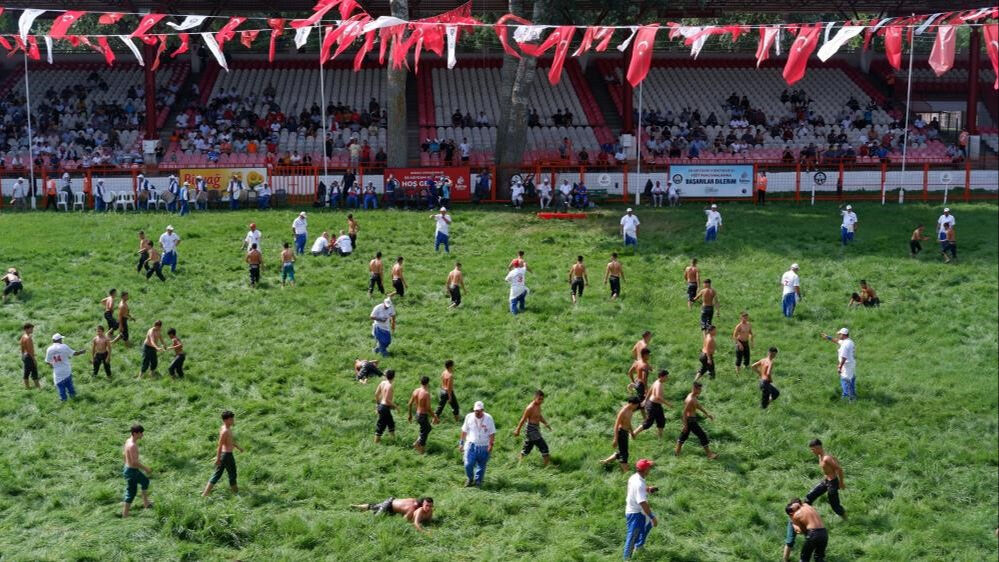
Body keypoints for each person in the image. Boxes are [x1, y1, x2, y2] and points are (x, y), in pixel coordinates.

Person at [202, 411, 244, 496]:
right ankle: (236, 493)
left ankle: (205, 494)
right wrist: (218, 458)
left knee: (217, 474)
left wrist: (238, 447)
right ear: (226, 420)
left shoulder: (226, 428)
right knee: (232, 473)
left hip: (224, 455)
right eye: (231, 419)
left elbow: (229, 441)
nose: (233, 421)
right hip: (227, 456)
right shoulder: (225, 431)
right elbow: (220, 445)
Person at [623, 459, 659, 559]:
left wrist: (648, 489)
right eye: (649, 467)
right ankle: (626, 559)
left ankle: (639, 547)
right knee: (632, 537)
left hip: (639, 511)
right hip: (635, 513)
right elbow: (642, 502)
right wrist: (652, 517)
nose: (650, 469)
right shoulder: (639, 484)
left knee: (648, 525)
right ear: (645, 469)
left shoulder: (634, 477)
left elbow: (637, 490)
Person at [804, 438, 847, 519]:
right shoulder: (820, 456)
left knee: (834, 505)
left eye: (813, 449)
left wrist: (841, 483)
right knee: (809, 497)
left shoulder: (826, 458)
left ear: (818, 447)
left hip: (833, 483)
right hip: (825, 481)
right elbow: (834, 461)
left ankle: (846, 519)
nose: (812, 451)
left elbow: (839, 469)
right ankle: (806, 517)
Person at [675, 382, 718, 459]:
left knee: (683, 436)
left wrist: (708, 414)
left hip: (690, 420)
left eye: (700, 388)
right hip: (691, 421)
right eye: (699, 389)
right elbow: (684, 413)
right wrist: (685, 425)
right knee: (702, 435)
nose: (700, 390)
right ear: (694, 389)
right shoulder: (690, 399)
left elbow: (698, 406)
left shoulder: (693, 396)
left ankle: (677, 453)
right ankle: (709, 454)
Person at [600, 396, 642, 472]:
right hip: (621, 432)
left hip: (625, 432)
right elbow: (616, 425)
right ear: (632, 404)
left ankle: (605, 461)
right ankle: (626, 472)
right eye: (636, 405)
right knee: (624, 454)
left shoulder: (631, 410)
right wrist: (615, 439)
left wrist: (632, 432)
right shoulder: (623, 411)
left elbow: (628, 422)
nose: (637, 406)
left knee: (622, 451)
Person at [459, 401, 496, 487]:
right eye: (476, 410)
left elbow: (492, 433)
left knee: (481, 465)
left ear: (483, 410)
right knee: (468, 464)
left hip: (484, 446)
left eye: (479, 411)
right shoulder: (469, 417)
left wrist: (491, 444)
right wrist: (461, 443)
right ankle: (470, 478)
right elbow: (464, 431)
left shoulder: (488, 418)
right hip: (471, 445)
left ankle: (478, 480)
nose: (477, 412)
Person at [349, 497, 434, 532]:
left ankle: (355, 506)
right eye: (426, 506)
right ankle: (360, 516)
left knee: (372, 506)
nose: (428, 508)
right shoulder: (412, 508)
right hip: (389, 504)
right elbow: (403, 521)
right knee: (375, 517)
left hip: (393, 502)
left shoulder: (415, 500)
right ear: (420, 505)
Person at [514, 390, 552, 466]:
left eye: (542, 399)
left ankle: (519, 463)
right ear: (534, 398)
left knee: (528, 448)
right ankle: (547, 466)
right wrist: (517, 430)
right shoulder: (530, 408)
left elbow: (539, 416)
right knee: (544, 447)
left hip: (536, 428)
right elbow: (523, 419)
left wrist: (546, 424)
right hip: (531, 430)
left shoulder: (538, 405)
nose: (541, 401)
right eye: (539, 399)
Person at [121, 425, 153, 518]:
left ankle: (146, 503)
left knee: (145, 481)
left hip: (128, 469)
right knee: (131, 492)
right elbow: (135, 462)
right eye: (141, 433)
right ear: (135, 433)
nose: (142, 435)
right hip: (132, 471)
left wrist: (126, 464)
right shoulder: (132, 446)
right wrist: (146, 468)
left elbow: (124, 454)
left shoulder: (128, 441)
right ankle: (125, 515)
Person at [633, 369, 672, 440]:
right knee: (648, 423)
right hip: (652, 406)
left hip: (656, 405)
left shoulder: (657, 382)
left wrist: (645, 400)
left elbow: (650, 389)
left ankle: (660, 438)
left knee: (661, 421)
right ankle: (633, 434)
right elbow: (658, 397)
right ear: (661, 377)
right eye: (666, 376)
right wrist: (668, 404)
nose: (667, 378)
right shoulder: (659, 384)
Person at [45, 333, 85, 401]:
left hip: (57, 372)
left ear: (53, 340)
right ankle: (73, 397)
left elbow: (47, 361)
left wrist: (54, 365)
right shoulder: (64, 346)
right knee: (70, 385)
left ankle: (64, 400)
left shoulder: (49, 349)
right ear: (59, 340)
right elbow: (74, 353)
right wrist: (81, 352)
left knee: (61, 388)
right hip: (66, 370)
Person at [820, 328, 856, 401]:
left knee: (845, 380)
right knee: (851, 378)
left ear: (843, 334)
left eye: (839, 334)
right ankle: (852, 395)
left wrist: (840, 366)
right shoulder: (849, 341)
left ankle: (847, 398)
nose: (838, 335)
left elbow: (844, 357)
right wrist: (828, 337)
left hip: (846, 365)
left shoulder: (845, 345)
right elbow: (837, 341)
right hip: (851, 364)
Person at [408, 376, 439, 454]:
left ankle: (417, 443)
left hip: (417, 415)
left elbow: (409, 404)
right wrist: (435, 417)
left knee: (427, 429)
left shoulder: (416, 391)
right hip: (423, 415)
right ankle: (420, 450)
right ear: (428, 383)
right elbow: (428, 408)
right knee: (425, 432)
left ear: (420, 382)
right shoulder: (426, 393)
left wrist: (410, 415)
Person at [374, 369, 397, 442]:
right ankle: (376, 443)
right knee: (381, 426)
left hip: (382, 406)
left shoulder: (382, 383)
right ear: (393, 377)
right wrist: (396, 406)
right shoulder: (389, 386)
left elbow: (376, 394)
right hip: (385, 408)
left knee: (391, 423)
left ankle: (393, 440)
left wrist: (378, 405)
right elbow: (387, 400)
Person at [20, 323, 40, 389]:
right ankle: (37, 387)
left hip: (25, 356)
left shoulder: (23, 337)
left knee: (27, 371)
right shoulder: (28, 338)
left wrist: (22, 355)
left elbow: (22, 348)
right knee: (34, 371)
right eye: (31, 328)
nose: (32, 330)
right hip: (29, 357)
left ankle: (27, 387)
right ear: (26, 329)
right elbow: (30, 350)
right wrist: (34, 359)